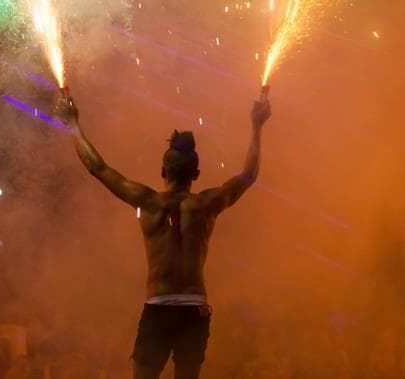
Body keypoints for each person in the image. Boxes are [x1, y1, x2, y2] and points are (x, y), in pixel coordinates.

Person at [55, 87, 272, 379]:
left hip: (158, 308)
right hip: (194, 310)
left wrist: (72, 124)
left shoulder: (149, 202)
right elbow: (248, 176)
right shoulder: (206, 205)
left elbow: (98, 168)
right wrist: (257, 126)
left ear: (162, 171)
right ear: (195, 175)